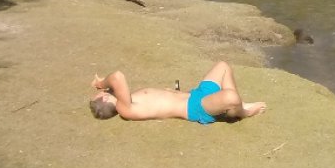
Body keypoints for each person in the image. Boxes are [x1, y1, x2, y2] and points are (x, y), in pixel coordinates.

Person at [89, 61, 266, 123]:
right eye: (104, 91)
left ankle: (232, 109)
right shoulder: (124, 109)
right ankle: (243, 112)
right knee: (231, 97)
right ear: (105, 98)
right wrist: (100, 82)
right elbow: (117, 77)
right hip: (196, 107)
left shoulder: (127, 100)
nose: (106, 89)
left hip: (195, 94)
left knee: (222, 67)